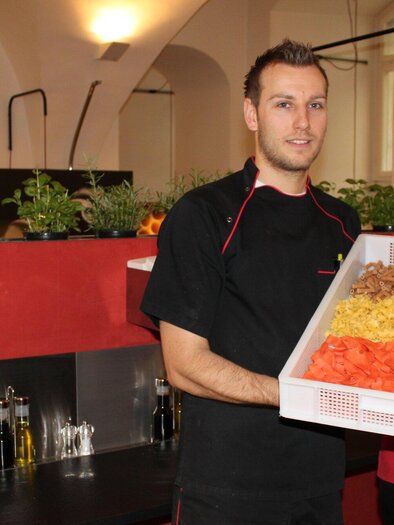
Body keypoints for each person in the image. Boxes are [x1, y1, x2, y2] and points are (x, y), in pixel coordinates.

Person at [141, 39, 361, 525]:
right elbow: (184, 366)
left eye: (315, 105)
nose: (303, 121)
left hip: (322, 483)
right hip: (227, 490)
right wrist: (295, 394)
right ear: (252, 114)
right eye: (284, 104)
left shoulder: (344, 223)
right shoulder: (204, 216)